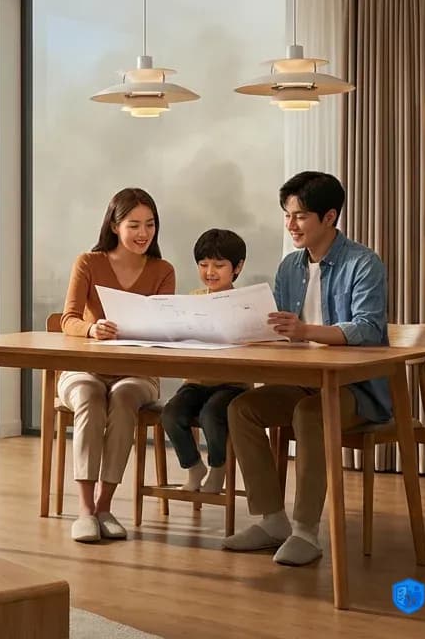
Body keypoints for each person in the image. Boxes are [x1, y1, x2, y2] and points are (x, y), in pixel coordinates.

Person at [223, 171, 390, 566]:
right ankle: (272, 520)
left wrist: (306, 330)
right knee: (241, 408)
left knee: (310, 414)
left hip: (356, 391)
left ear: (329, 217)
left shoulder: (363, 263)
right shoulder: (289, 267)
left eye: (299, 216)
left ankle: (306, 532)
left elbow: (368, 328)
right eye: (287, 215)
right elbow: (284, 334)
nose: (291, 225)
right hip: (303, 382)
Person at [59, 188, 175, 543]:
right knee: (89, 396)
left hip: (137, 373)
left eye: (150, 224)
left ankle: (105, 505)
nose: (144, 233)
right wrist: (91, 329)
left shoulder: (162, 270)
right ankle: (84, 510)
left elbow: (164, 327)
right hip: (85, 367)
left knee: (124, 398)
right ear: (114, 224)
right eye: (134, 224)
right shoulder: (88, 263)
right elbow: (68, 319)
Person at [161, 229, 249, 494]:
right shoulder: (192, 298)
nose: (210, 271)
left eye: (219, 265)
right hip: (196, 381)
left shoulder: (245, 303)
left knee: (212, 415)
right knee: (171, 414)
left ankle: (218, 468)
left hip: (233, 385)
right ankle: (193, 467)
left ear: (237, 267)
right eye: (203, 264)